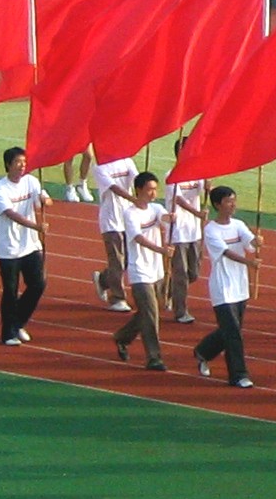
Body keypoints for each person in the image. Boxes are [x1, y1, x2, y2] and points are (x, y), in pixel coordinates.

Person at [193, 186, 259, 388]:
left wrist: (257, 240)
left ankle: (203, 351)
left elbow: (250, 242)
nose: (233, 205)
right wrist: (248, 263)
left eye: (234, 200)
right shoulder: (211, 230)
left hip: (240, 286)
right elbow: (226, 253)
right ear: (217, 205)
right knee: (233, 333)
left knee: (231, 329)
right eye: (229, 201)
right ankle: (238, 374)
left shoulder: (238, 225)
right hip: (223, 287)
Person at [111, 171, 170, 371]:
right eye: (149, 189)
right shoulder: (130, 213)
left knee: (150, 311)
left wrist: (172, 218)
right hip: (140, 271)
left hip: (157, 270)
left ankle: (122, 337)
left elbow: (165, 218)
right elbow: (138, 238)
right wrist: (161, 249)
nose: (153, 193)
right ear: (138, 190)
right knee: (151, 313)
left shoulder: (156, 208)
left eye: (155, 189)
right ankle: (154, 357)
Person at [0, 145, 47, 346]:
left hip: (30, 245)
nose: (22, 166)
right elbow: (10, 214)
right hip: (10, 249)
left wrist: (45, 200)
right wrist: (35, 225)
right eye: (18, 162)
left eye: (24, 162)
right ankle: (8, 332)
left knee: (38, 284)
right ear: (8, 164)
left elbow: (42, 199)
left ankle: (19, 322)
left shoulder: (31, 181)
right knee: (11, 290)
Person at [90, 153, 139, 309]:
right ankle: (117, 298)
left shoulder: (127, 161)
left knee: (127, 260)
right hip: (111, 219)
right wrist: (134, 199)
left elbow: (136, 180)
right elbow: (114, 188)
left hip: (128, 218)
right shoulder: (99, 168)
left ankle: (103, 280)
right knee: (117, 259)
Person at [164, 146, 206, 326]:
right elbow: (178, 199)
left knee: (193, 273)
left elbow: (207, 189)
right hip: (178, 231)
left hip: (194, 232)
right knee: (180, 273)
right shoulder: (172, 176)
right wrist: (196, 213)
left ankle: (167, 291)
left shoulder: (198, 173)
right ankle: (181, 311)